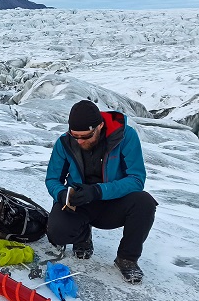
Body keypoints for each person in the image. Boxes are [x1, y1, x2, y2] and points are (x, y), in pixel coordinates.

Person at [44, 100, 157, 284]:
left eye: (86, 136)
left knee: (145, 203)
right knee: (56, 232)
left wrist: (98, 191)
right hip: (79, 204)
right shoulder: (64, 143)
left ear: (100, 126)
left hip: (112, 203)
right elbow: (52, 179)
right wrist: (62, 194)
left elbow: (136, 179)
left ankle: (126, 258)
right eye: (75, 136)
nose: (80, 141)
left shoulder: (125, 137)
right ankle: (83, 236)